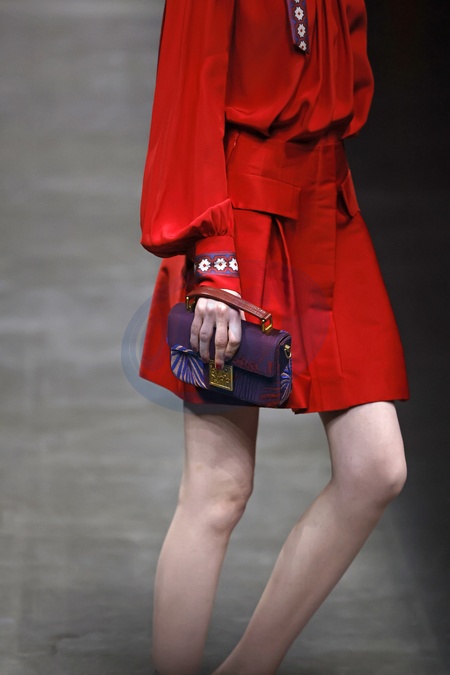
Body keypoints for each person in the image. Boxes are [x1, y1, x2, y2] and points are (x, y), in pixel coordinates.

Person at [138, 1, 410, 673]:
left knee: (374, 468)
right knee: (219, 488)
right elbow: (185, 96)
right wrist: (214, 259)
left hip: (327, 204)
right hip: (242, 217)